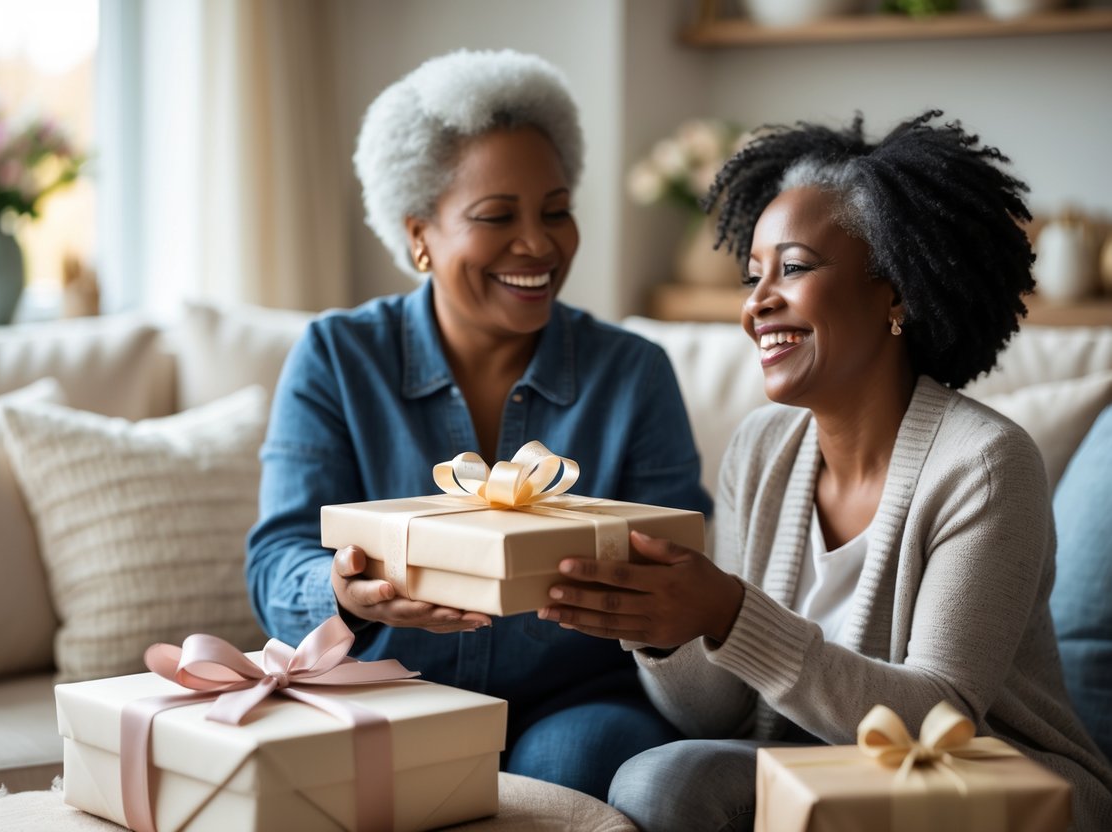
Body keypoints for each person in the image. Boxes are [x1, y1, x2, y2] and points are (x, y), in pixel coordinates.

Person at [538, 110, 1112, 829]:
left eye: (794, 267)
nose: (756, 304)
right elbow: (718, 712)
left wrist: (729, 611)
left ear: (895, 291)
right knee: (661, 777)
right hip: (818, 777)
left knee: (668, 784)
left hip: (988, 779)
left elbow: (940, 720)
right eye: (752, 277)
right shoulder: (762, 447)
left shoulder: (986, 465)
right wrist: (664, 630)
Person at [245, 48, 712, 800]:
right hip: (384, 692)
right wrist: (342, 591)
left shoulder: (633, 372)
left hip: (577, 700)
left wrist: (639, 596)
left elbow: (681, 566)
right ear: (419, 235)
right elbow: (277, 557)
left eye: (555, 210)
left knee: (572, 768)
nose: (538, 244)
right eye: (497, 217)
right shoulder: (336, 356)